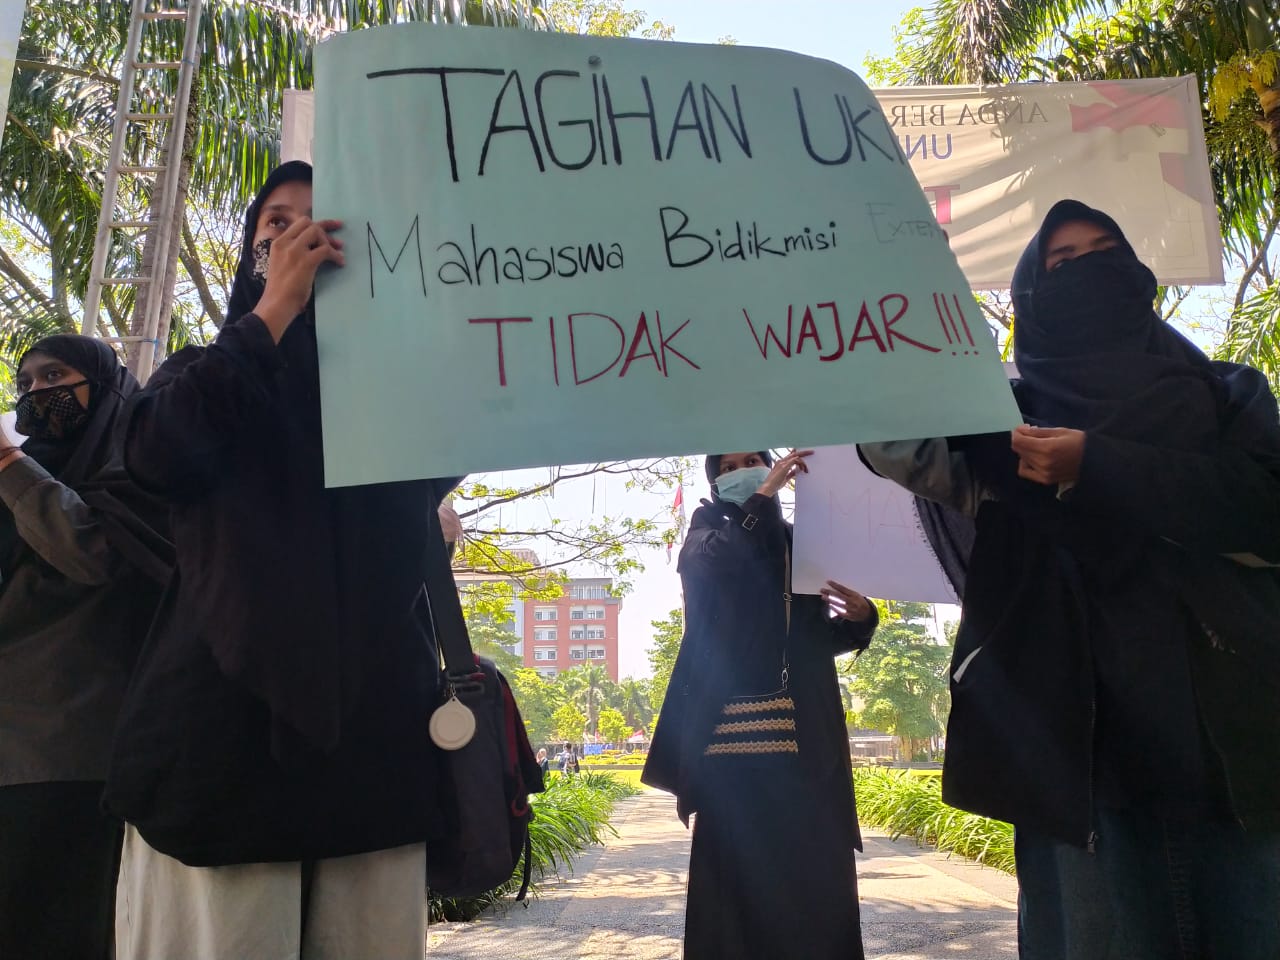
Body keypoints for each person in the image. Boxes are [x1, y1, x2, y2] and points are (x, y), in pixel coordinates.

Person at [861, 199, 1280, 959]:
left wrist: (1098, 464)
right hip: (1077, 760)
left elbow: (1263, 506)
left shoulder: (1226, 395)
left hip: (1233, 744)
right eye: (1062, 261)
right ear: (1032, 289)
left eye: (1104, 250)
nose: (1088, 269)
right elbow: (894, 435)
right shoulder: (1006, 424)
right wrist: (913, 294)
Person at [103, 161, 460, 959]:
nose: (302, 237)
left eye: (324, 223)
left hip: (371, 753)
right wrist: (273, 313)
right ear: (251, 254)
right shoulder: (201, 371)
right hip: (215, 749)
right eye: (277, 223)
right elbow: (156, 454)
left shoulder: (399, 397)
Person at [643, 449, 878, 960]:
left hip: (804, 743)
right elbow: (719, 561)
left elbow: (813, 640)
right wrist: (764, 498)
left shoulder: (800, 544)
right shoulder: (706, 533)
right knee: (734, 885)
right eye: (728, 467)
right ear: (714, 480)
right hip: (730, 753)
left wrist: (862, 620)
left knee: (812, 881)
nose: (743, 471)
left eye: (753, 460)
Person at [0, 336, 170, 960]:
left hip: (72, 752)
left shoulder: (138, 470)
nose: (37, 392)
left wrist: (10, 467)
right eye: (26, 382)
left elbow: (93, 551)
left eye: (56, 376)